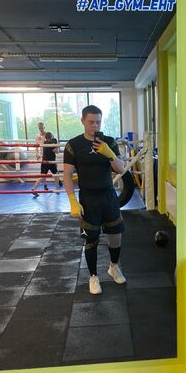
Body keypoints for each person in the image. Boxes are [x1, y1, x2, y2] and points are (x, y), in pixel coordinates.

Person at [63, 105, 126, 295]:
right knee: (91, 238)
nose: (95, 126)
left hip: (108, 196)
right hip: (88, 198)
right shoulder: (73, 145)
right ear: (82, 121)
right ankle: (93, 276)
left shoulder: (109, 141)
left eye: (98, 122)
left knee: (115, 235)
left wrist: (110, 154)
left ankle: (113, 266)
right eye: (91, 122)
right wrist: (72, 200)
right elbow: (67, 175)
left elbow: (121, 169)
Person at [32, 131, 59, 196]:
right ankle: (57, 189)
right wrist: (56, 145)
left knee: (42, 176)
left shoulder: (45, 142)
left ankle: (34, 189)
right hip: (51, 162)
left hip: (44, 162)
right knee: (56, 175)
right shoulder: (51, 144)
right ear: (51, 137)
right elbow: (57, 152)